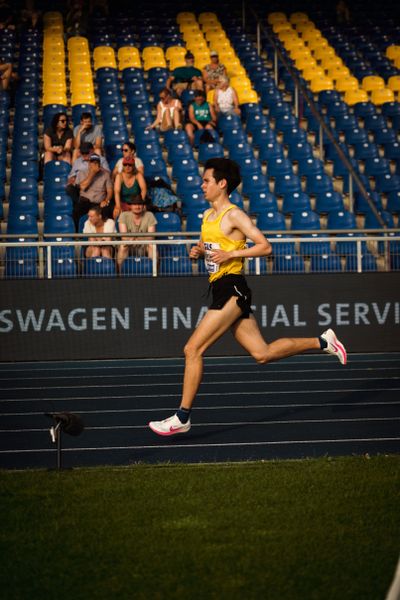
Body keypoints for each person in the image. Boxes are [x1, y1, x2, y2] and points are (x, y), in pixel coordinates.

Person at [149, 157, 347, 436]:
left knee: (192, 349)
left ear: (222, 183)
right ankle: (323, 341)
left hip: (233, 288)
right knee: (262, 353)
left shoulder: (234, 214)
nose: (201, 185)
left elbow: (265, 247)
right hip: (219, 287)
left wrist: (233, 254)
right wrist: (199, 252)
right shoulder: (207, 217)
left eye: (206, 180)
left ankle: (182, 417)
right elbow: (208, 247)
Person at [73, 153, 113, 229]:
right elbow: (82, 187)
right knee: (76, 211)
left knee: (107, 210)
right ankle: (77, 235)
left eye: (96, 163)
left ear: (99, 164)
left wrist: (106, 200)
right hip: (85, 201)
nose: (94, 164)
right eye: (92, 162)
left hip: (99, 203)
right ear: (89, 163)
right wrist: (92, 174)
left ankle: (106, 233)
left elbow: (110, 191)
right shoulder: (82, 172)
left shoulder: (105, 174)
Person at [117, 197, 157, 270]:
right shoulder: (124, 215)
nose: (137, 207)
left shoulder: (149, 215)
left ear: (143, 206)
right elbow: (124, 237)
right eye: (135, 204)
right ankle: (120, 275)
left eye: (140, 204)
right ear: (130, 206)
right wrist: (138, 239)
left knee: (152, 246)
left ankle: (155, 274)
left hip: (144, 245)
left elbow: (151, 237)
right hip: (130, 244)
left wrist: (135, 238)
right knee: (123, 246)